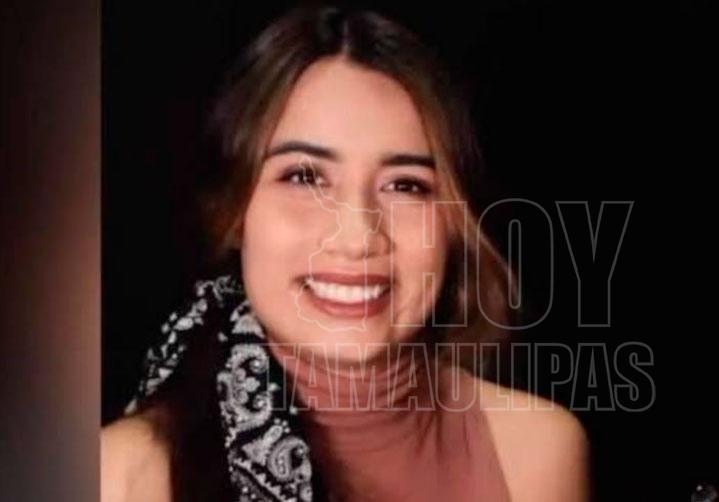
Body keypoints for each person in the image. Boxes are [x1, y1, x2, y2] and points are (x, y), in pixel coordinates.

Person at [101, 4, 589, 501]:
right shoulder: (125, 476)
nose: (357, 238)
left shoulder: (534, 452)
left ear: (454, 224)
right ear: (233, 214)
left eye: (405, 185)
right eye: (304, 177)